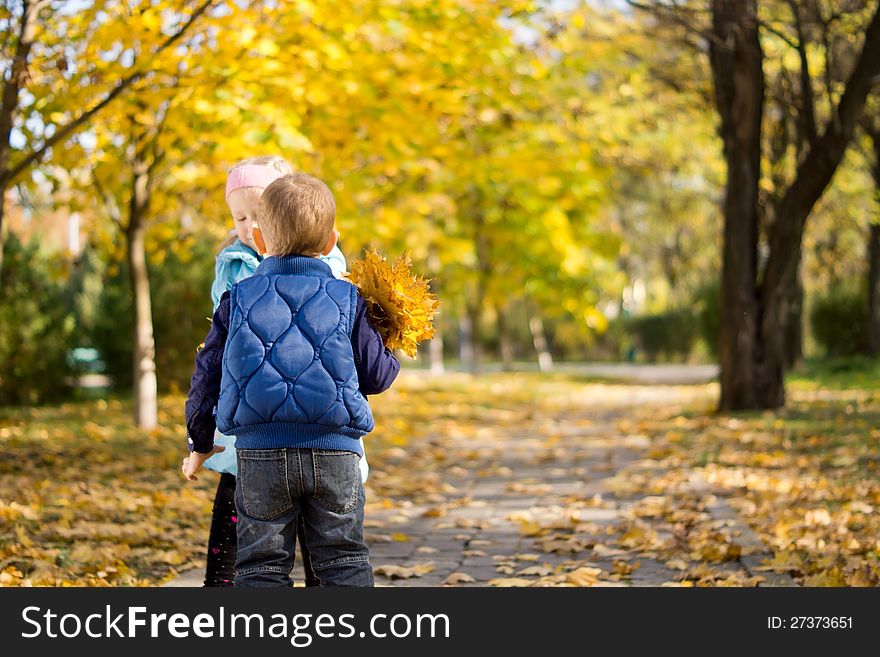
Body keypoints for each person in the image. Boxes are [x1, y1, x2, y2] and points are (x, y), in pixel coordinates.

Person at [183, 172, 399, 587]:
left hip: (260, 454)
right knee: (344, 559)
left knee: (261, 565)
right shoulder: (349, 299)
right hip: (334, 453)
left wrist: (199, 441)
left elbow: (206, 375)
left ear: (261, 241)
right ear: (331, 242)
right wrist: (384, 338)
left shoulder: (236, 299)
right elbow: (377, 377)